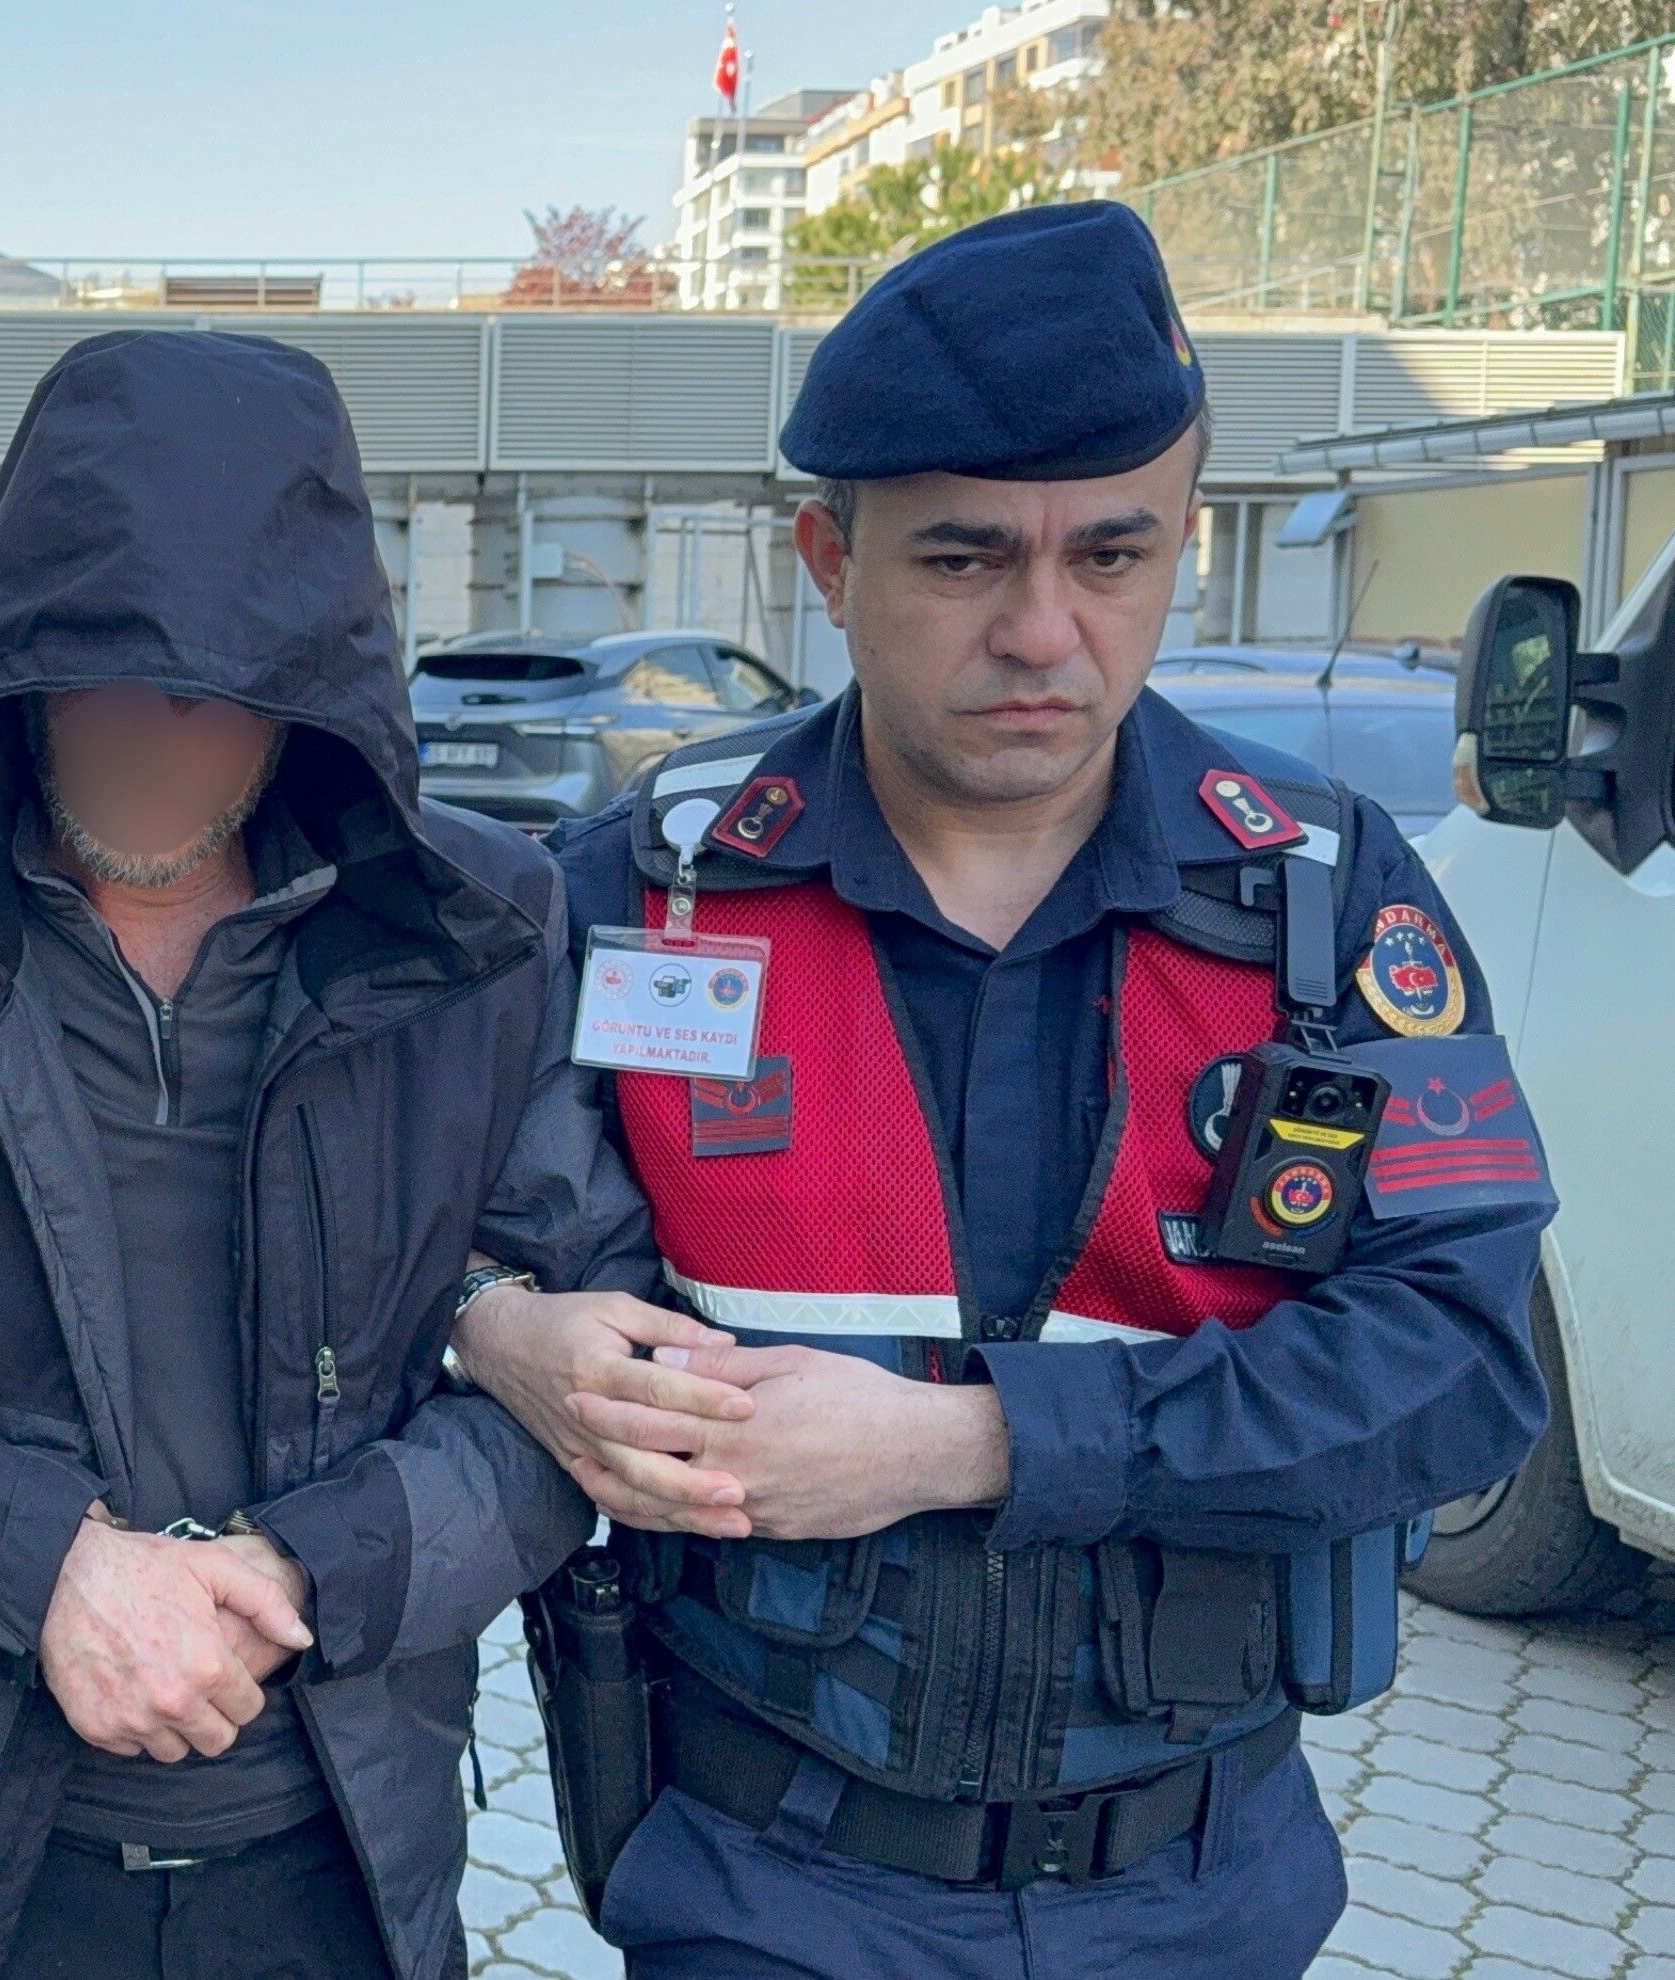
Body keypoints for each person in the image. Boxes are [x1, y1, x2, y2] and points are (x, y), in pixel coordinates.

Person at [452, 202, 1557, 1977]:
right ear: (829, 560)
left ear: (1185, 541)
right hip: (762, 1892)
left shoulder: (1328, 904)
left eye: (1112, 555)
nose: (1045, 634)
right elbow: (412, 1242)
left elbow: (1464, 1363)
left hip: (1192, 1896)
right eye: (963, 560)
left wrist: (969, 1444)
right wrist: (493, 1328)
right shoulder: (645, 895)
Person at [0, 328, 645, 1980]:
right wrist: (46, 1572)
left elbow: (590, 1373)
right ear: (13, 648)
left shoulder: (473, 934)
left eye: (232, 689)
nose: (164, 735)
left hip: (341, 1856)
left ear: (322, 683)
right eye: (107, 671)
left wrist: (313, 1564)